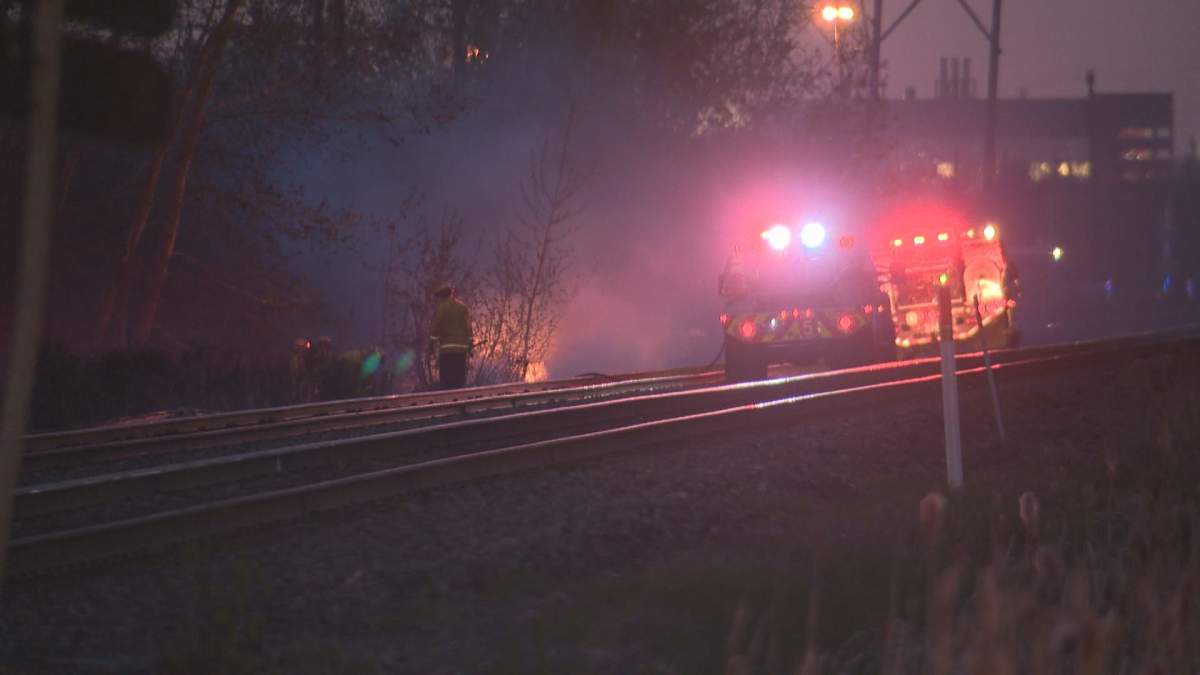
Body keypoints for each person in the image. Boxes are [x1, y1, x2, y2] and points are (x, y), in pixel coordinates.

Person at [429, 283, 473, 389]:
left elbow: (436, 326)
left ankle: (449, 397)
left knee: (447, 382)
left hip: (447, 350)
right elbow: (469, 328)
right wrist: (470, 345)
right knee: (459, 381)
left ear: (441, 297)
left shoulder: (442, 308)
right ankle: (459, 398)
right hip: (461, 351)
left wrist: (431, 344)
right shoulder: (463, 307)